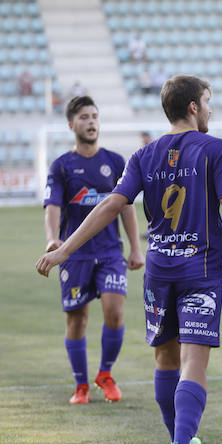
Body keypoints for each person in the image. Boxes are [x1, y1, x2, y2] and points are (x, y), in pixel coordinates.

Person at [36, 75, 222, 444]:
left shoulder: (144, 155)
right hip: (200, 270)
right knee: (194, 363)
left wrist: (66, 248)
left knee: (165, 359)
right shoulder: (213, 148)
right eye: (207, 101)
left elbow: (110, 206)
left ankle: (181, 440)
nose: (210, 109)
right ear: (193, 107)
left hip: (158, 270)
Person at [43, 96, 144, 404]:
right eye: (84, 117)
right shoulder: (62, 165)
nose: (91, 122)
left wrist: (136, 249)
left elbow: (125, 208)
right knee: (77, 319)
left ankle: (105, 374)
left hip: (111, 252)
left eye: (95, 116)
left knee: (114, 312)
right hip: (75, 255)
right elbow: (53, 206)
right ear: (72, 124)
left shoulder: (115, 162)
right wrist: (52, 239)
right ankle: (81, 385)